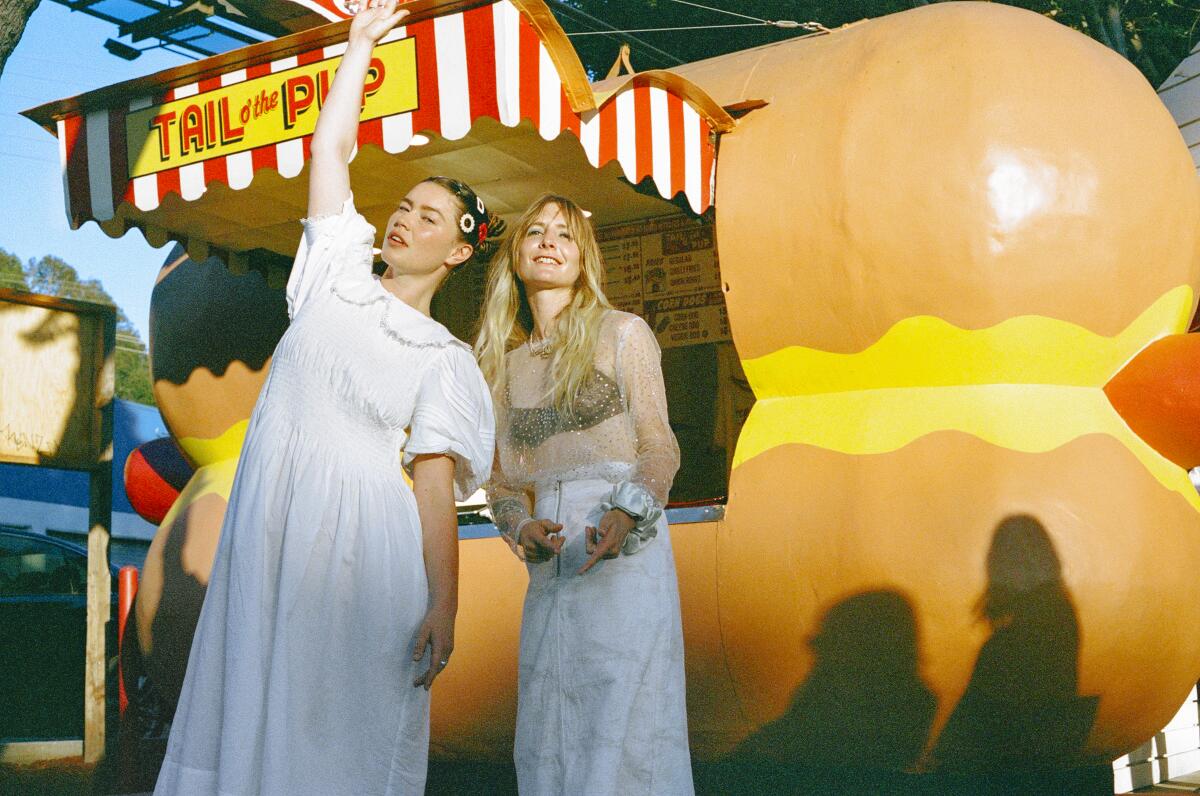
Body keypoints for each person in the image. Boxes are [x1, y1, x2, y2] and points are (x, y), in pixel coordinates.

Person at [153, 2, 495, 793]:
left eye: (430, 216)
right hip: (271, 523)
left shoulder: (443, 359)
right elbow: (329, 146)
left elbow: (436, 488)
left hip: (360, 551)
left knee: (334, 730)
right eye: (405, 207)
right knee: (247, 711)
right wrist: (361, 43)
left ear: (460, 248)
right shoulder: (333, 273)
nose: (407, 219)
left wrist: (446, 605)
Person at [475, 194, 694, 794]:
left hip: (624, 541)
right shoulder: (502, 365)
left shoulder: (623, 333)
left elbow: (659, 447)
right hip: (551, 560)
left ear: (583, 257)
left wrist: (626, 513)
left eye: (565, 235)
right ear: (516, 256)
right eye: (536, 232)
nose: (549, 242)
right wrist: (521, 527)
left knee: (625, 711)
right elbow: (501, 482)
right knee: (550, 718)